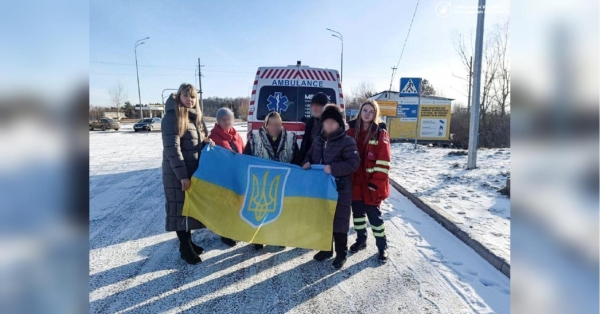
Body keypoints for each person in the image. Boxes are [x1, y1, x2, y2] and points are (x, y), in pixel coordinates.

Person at [302, 104, 360, 269]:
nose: (329, 125)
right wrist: (306, 162)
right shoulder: (318, 140)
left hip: (340, 189)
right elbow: (308, 155)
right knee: (323, 220)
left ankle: (342, 253)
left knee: (339, 222)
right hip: (320, 190)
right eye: (326, 121)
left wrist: (334, 168)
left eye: (332, 122)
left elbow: (354, 163)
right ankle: (326, 250)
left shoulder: (347, 141)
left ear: (339, 124)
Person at [161, 83, 212, 265]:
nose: (190, 100)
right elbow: (172, 148)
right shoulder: (172, 117)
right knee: (179, 209)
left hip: (193, 172)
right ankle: (184, 247)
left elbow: (198, 142)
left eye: (193, 97)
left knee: (189, 208)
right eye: (186, 96)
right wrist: (182, 175)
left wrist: (208, 142)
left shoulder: (195, 118)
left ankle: (189, 241)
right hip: (177, 173)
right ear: (178, 96)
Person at [244, 111, 299, 250]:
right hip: (261, 183)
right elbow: (245, 159)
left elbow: (297, 159)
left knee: (281, 211)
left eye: (278, 124)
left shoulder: (290, 139)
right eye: (273, 124)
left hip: (282, 183)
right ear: (266, 125)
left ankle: (280, 237)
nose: (276, 127)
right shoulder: (254, 139)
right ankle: (259, 238)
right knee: (261, 211)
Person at [346, 101, 391, 262]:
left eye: (371, 112)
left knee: (375, 218)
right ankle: (361, 240)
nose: (367, 114)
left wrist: (375, 183)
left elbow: (384, 161)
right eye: (364, 110)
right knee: (357, 214)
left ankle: (382, 246)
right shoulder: (350, 131)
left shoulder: (380, 133)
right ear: (360, 112)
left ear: (375, 114)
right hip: (355, 182)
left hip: (372, 184)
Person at [209, 107, 245, 247]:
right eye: (223, 120)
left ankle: (235, 230)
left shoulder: (236, 136)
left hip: (237, 176)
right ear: (218, 121)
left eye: (229, 119)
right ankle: (224, 234)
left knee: (236, 204)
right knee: (224, 207)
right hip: (223, 179)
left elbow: (244, 151)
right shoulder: (213, 137)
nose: (227, 122)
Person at [296, 92, 328, 164]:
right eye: (313, 105)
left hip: (322, 164)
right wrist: (301, 161)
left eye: (317, 105)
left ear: (324, 107)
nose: (314, 108)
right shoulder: (310, 121)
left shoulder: (330, 123)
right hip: (309, 162)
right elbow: (305, 144)